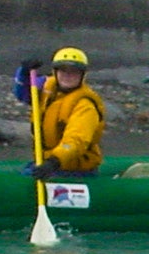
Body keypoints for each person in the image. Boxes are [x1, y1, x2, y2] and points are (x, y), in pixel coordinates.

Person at [12, 46, 105, 179]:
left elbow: (75, 141)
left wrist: (53, 163)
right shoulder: (46, 86)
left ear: (83, 75)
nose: (67, 75)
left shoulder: (85, 105)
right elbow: (23, 93)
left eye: (74, 72)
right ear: (55, 72)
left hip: (74, 169)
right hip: (47, 161)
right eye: (63, 70)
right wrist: (25, 72)